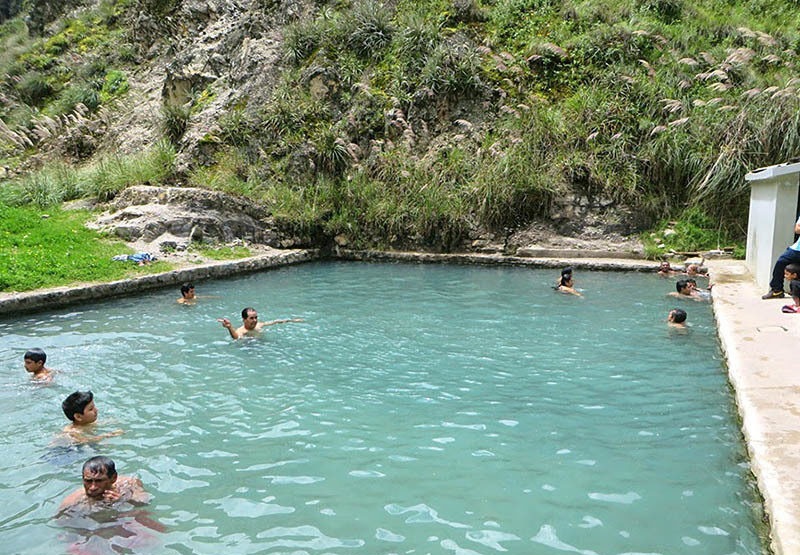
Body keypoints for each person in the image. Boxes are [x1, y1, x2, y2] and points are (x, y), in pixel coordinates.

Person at [58, 456, 149, 514]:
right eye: (88, 481)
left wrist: (124, 500)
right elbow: (59, 522)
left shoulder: (129, 483)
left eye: (99, 481)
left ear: (113, 478)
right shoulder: (72, 502)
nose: (93, 487)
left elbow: (145, 502)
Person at [762, 214, 800, 299]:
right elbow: (797, 229)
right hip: (797, 249)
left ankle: (796, 291)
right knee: (781, 262)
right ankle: (777, 290)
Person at [217, 307, 303, 339]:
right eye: (251, 318)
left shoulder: (259, 325)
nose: (255, 320)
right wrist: (229, 327)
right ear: (244, 319)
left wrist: (292, 320)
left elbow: (275, 322)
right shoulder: (242, 331)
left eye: (256, 317)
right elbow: (236, 337)